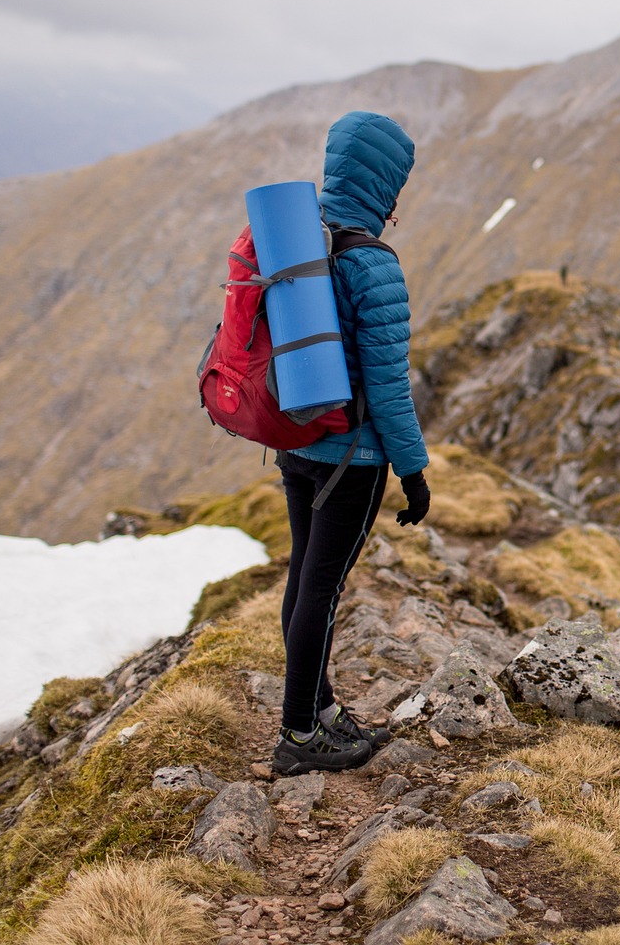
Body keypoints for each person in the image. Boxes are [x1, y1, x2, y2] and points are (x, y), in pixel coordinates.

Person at [270, 111, 433, 776]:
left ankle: (320, 707)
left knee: (305, 580)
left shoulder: (297, 244)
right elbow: (390, 387)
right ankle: (301, 736)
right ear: (385, 186)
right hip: (352, 460)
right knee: (323, 591)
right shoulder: (372, 264)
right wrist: (413, 472)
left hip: (297, 444)